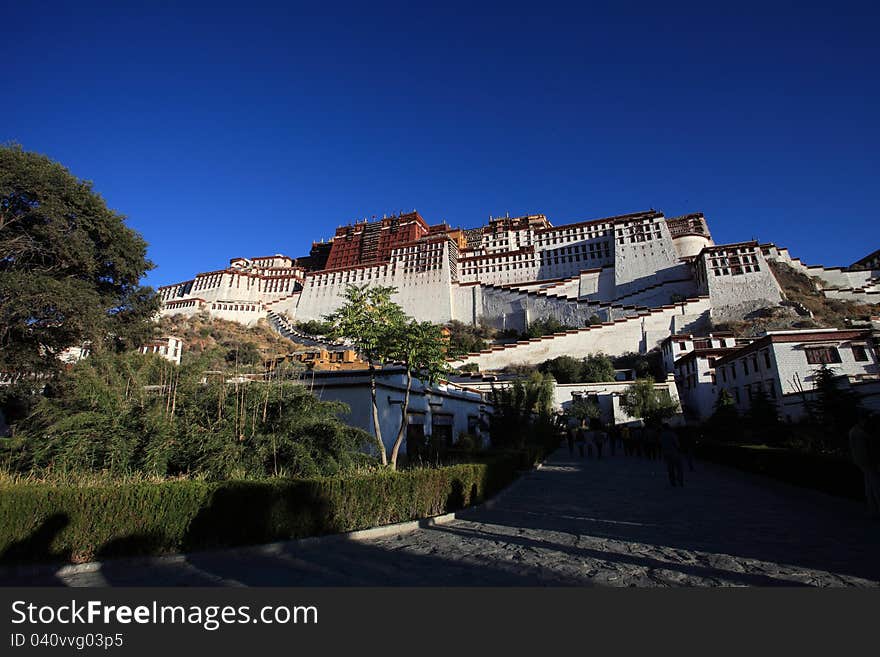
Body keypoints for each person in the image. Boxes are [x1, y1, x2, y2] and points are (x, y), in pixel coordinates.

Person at [849, 411, 880, 518]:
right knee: (875, 484)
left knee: (869, 483)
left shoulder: (854, 431)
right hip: (866, 461)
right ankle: (875, 508)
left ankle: (872, 508)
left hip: (861, 461)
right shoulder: (860, 432)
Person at [660, 422, 684, 487]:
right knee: (679, 468)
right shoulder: (672, 434)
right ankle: (680, 480)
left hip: (666, 453)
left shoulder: (662, 435)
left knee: (670, 468)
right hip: (674, 452)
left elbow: (661, 444)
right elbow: (677, 443)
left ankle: (672, 482)